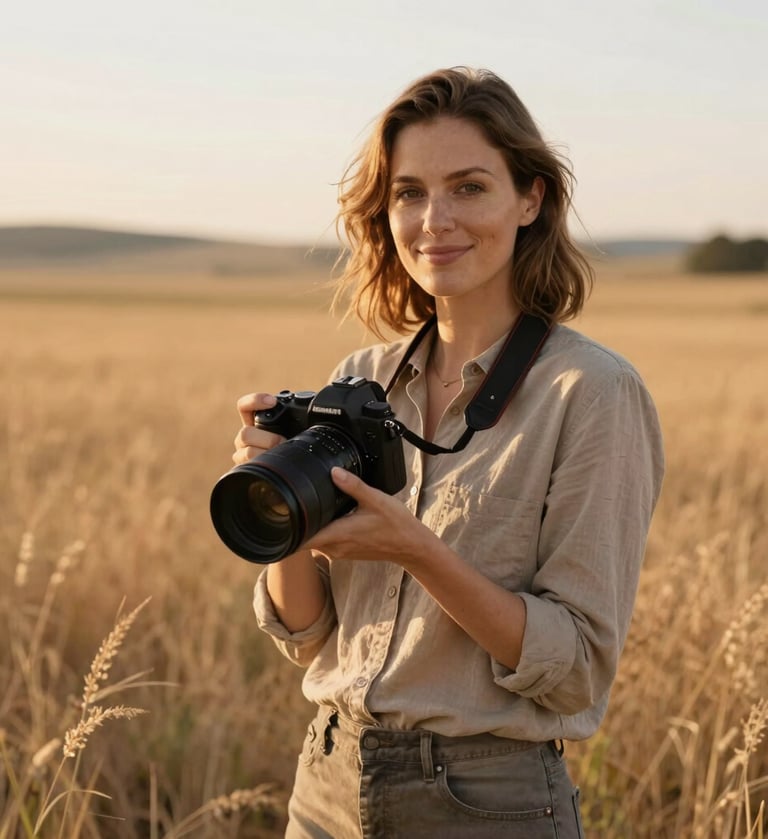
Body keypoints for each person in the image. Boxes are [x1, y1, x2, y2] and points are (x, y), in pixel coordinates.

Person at [231, 67, 664, 839]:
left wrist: (418, 552)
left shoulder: (590, 393)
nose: (435, 219)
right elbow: (306, 639)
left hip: (485, 802)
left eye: (468, 187)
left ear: (530, 198)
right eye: (409, 192)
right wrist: (279, 501)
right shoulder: (360, 380)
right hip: (325, 786)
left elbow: (574, 669)